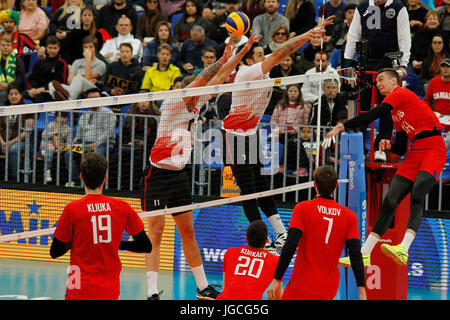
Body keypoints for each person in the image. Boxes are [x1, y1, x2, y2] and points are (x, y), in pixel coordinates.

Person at [141, 34, 262, 300]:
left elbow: (221, 78)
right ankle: (151, 292)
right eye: (199, 91)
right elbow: (206, 78)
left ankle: (203, 286)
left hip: (179, 177)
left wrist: (241, 52)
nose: (203, 96)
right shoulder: (174, 101)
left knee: (188, 231)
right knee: (156, 233)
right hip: (158, 175)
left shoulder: (196, 105)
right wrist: (222, 58)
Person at [221, 17, 335, 254]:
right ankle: (259, 244)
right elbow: (280, 53)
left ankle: (281, 235)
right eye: (260, 54)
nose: (265, 57)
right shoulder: (246, 74)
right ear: (250, 60)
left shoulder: (265, 76)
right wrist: (307, 35)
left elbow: (281, 52)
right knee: (249, 191)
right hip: (234, 136)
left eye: (264, 54)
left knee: (261, 185)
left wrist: (308, 35)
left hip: (250, 134)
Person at [324, 68, 447, 267]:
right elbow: (400, 147)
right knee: (390, 200)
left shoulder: (401, 94)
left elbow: (373, 114)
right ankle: (365, 253)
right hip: (415, 151)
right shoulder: (395, 112)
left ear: (394, 82)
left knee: (417, 194)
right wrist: (389, 144)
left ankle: (404, 249)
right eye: (377, 80)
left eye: (382, 80)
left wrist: (343, 126)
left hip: (434, 148)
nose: (378, 84)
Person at [50, 152, 152, 300]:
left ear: (81, 177)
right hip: (109, 289)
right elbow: (146, 246)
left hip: (78, 288)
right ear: (105, 179)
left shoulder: (72, 209)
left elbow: (55, 252)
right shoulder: (122, 207)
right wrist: (116, 243)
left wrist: (76, 242)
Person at [266, 165, 366, 300]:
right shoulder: (349, 216)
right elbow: (355, 253)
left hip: (301, 283)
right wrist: (362, 290)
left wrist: (277, 278)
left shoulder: (302, 208)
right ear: (336, 185)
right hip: (328, 287)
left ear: (314, 185)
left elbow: (290, 244)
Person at [64, 87, 117, 186]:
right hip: (85, 143)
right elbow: (79, 132)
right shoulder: (84, 115)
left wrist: (95, 144)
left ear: (100, 98)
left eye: (96, 98)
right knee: (68, 153)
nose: (93, 101)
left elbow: (109, 133)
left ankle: (97, 184)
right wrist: (75, 142)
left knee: (96, 156)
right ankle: (76, 181)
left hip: (103, 143)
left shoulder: (108, 113)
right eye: (90, 99)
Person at [216, 220, 282, 300]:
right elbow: (277, 297)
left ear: (246, 238)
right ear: (267, 241)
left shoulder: (230, 252)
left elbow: (226, 286)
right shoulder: (275, 261)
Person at [0, 85, 34, 180]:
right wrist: (3, 143)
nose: (13, 96)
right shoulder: (3, 109)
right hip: (4, 141)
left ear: (20, 96)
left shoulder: (28, 110)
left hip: (23, 142)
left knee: (14, 149)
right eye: (11, 94)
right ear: (8, 96)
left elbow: (26, 132)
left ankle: (15, 179)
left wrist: (10, 143)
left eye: (16, 94)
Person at [25, 36, 69, 103]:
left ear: (59, 49)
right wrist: (33, 88)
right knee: (20, 96)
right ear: (46, 48)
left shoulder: (62, 63)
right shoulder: (40, 61)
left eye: (55, 48)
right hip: (36, 90)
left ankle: (38, 114)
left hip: (52, 91)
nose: (52, 50)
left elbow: (60, 82)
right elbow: (31, 78)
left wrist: (44, 88)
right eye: (50, 48)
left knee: (39, 96)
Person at [425, 58, 450, 149]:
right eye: (443, 66)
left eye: (448, 67)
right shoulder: (433, 82)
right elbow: (427, 101)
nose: (445, 69)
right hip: (437, 117)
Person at [40, 111, 70, 183]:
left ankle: (46, 153)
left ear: (67, 119)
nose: (62, 119)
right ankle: (47, 170)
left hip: (59, 147)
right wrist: (54, 133)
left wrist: (63, 145)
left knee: (52, 151)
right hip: (48, 144)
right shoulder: (51, 125)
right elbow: (43, 136)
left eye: (64, 117)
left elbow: (69, 142)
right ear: (55, 118)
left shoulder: (68, 129)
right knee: (50, 150)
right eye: (60, 117)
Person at [409, 10, 441, 76]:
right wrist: (413, 61)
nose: (432, 21)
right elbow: (411, 50)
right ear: (426, 22)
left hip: (433, 64)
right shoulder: (418, 34)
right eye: (430, 19)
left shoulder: (442, 35)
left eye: (434, 19)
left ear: (439, 22)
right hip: (415, 63)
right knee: (409, 78)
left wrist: (424, 63)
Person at [0, 35, 25, 105]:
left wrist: (8, 85)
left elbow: (20, 79)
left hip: (12, 89)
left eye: (8, 45)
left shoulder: (17, 60)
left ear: (11, 47)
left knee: (2, 95)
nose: (5, 47)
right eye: (3, 45)